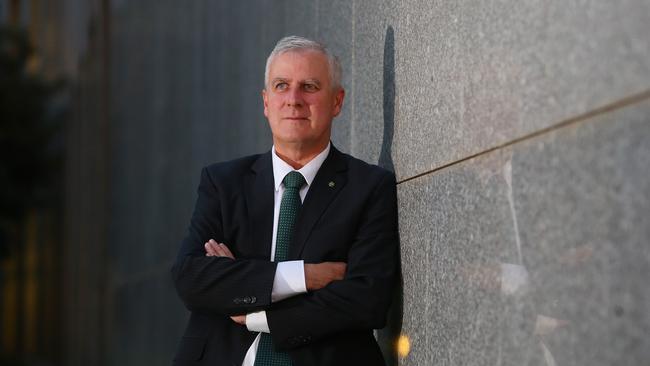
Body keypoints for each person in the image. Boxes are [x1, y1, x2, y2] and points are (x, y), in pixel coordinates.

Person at [172, 35, 399, 366]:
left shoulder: (368, 187)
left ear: (337, 101)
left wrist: (252, 311)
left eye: (309, 86)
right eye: (281, 86)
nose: (293, 99)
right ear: (266, 103)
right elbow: (192, 278)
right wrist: (304, 277)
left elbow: (366, 299)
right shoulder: (224, 183)